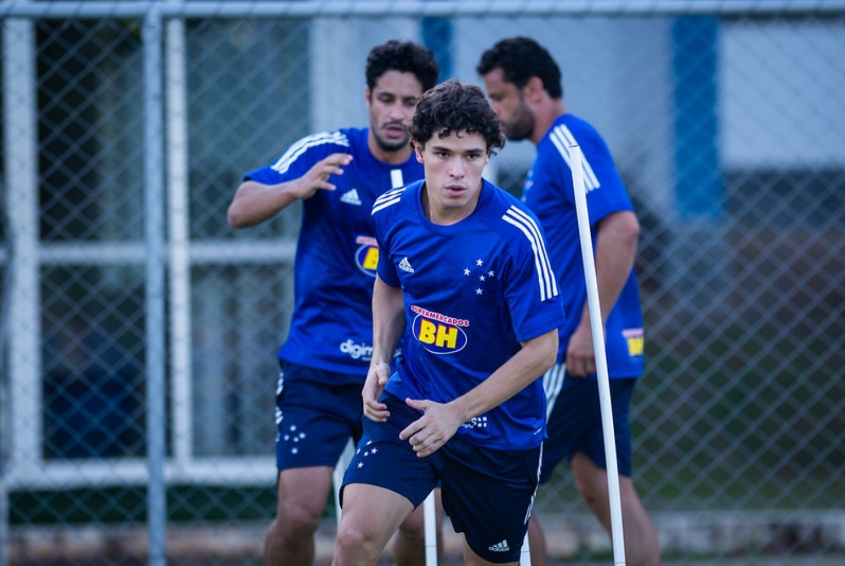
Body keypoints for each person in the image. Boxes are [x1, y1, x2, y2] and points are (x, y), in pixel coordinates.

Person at [332, 79, 565, 566]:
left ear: (488, 155)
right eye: (442, 153)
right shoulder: (391, 212)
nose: (457, 171)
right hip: (411, 403)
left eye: (473, 155)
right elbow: (390, 285)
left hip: (497, 430)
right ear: (416, 149)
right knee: (354, 537)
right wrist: (379, 358)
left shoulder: (517, 234)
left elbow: (542, 350)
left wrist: (456, 412)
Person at [227, 40, 440, 566]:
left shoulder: (438, 168)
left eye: (410, 102)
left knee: (416, 522)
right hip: (318, 363)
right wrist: (295, 188)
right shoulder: (326, 151)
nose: (396, 113)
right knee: (299, 515)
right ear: (367, 97)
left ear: (425, 104)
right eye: (385, 98)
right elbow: (239, 210)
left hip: (401, 371)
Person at [477, 37, 661, 566]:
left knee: (505, 485)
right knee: (604, 489)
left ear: (534, 90)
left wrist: (585, 330)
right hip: (603, 351)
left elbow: (622, 228)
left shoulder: (567, 140)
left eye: (498, 96)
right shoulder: (551, 152)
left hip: (577, 352)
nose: (492, 110)